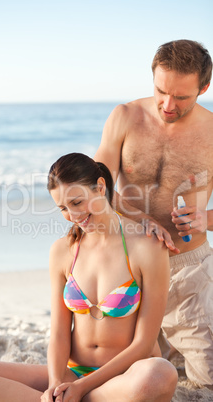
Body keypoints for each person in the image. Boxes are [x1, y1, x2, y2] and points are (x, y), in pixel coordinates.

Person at [0, 153, 178, 401]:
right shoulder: (63, 251)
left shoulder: (147, 248)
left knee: (160, 374)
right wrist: (56, 383)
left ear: (100, 187)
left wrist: (82, 389)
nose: (73, 215)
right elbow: (59, 333)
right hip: (73, 374)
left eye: (77, 202)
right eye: (63, 208)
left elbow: (144, 344)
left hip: (126, 377)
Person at [94, 39, 213, 387]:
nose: (168, 104)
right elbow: (95, 192)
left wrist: (206, 218)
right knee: (125, 375)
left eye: (181, 97)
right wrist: (136, 220)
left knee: (207, 380)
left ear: (203, 87)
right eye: (161, 91)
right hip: (128, 264)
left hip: (188, 268)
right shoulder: (125, 117)